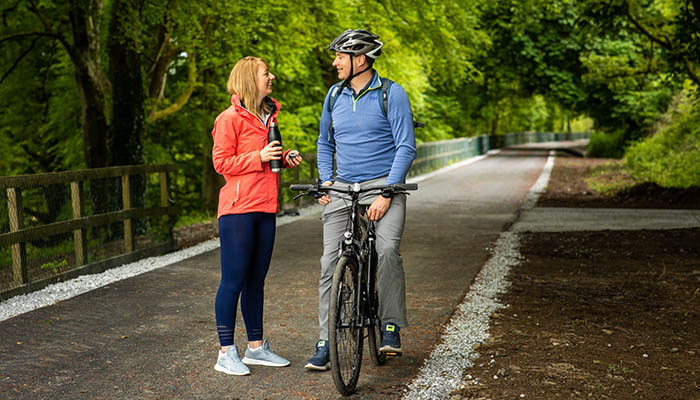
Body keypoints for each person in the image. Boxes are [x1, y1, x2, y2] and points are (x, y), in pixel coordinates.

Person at [305, 29, 417, 370]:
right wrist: (326, 181)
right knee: (328, 262)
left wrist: (387, 191)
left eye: (340, 56)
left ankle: (390, 327)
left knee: (385, 251)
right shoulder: (334, 95)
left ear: (360, 59)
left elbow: (406, 146)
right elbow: (325, 142)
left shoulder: (391, 94)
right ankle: (325, 341)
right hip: (343, 185)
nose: (335, 62)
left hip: (384, 185)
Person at [211, 56, 303, 376]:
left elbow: (268, 159)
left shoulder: (268, 117)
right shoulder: (229, 118)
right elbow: (221, 163)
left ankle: (256, 348)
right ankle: (225, 352)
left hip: (266, 207)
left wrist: (285, 156)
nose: (272, 76)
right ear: (251, 79)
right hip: (238, 211)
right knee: (233, 280)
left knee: (256, 280)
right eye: (266, 73)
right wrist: (259, 156)